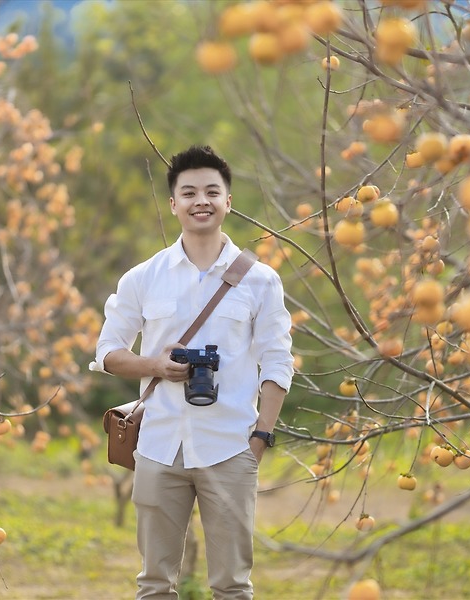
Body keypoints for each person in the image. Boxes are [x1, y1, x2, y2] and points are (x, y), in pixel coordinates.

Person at [90, 145, 295, 599]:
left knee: (232, 587)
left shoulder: (261, 280)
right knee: (154, 584)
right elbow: (107, 353)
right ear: (173, 204)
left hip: (231, 446)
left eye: (211, 191)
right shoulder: (144, 276)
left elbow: (278, 362)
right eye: (189, 193)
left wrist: (260, 439)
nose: (200, 200)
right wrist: (154, 365)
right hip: (159, 446)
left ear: (228, 201)